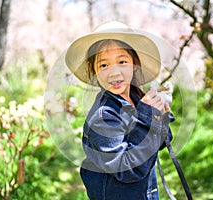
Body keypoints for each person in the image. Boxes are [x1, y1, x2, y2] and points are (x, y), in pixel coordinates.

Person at [65, 21, 175, 200]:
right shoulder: (103, 117)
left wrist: (159, 117)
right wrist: (146, 116)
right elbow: (128, 170)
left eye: (122, 61)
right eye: (104, 65)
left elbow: (162, 143)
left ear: (134, 64)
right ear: (94, 71)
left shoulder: (137, 97)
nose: (114, 73)